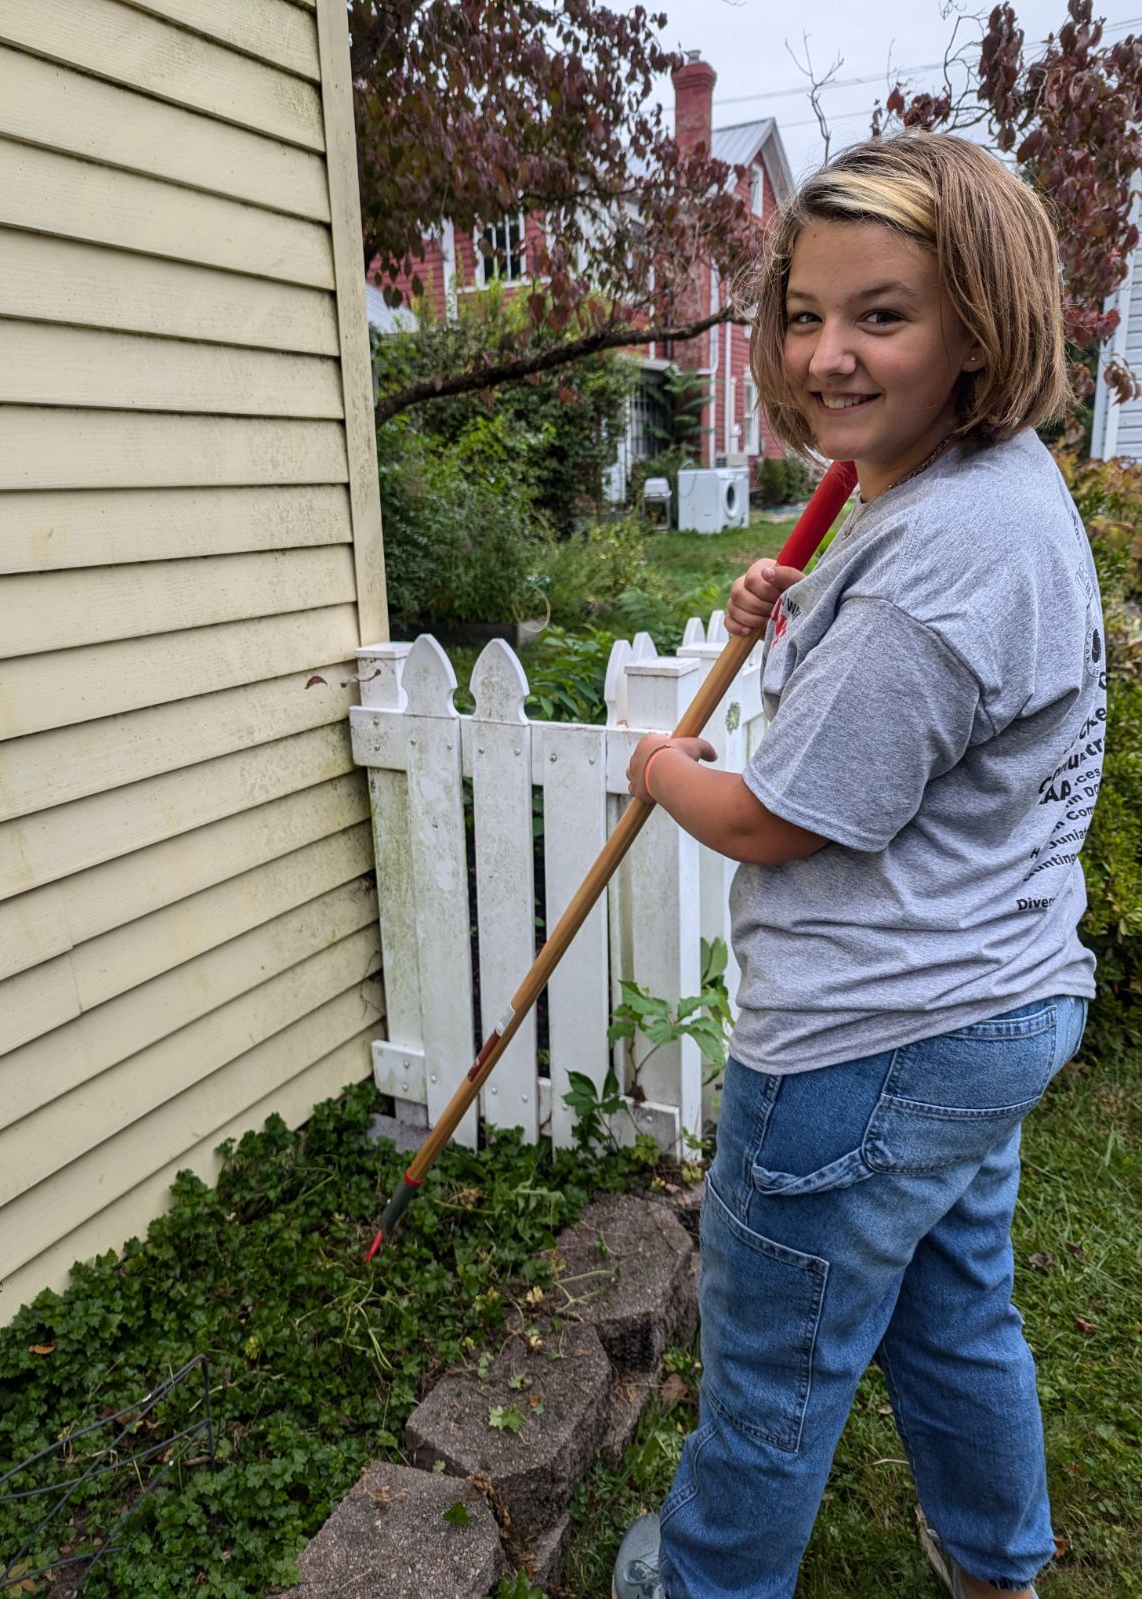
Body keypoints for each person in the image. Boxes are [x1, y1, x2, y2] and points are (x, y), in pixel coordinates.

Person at [614, 130, 1105, 1599]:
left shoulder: (944, 556)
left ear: (979, 321)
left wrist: (662, 772)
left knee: (774, 1369)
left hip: (866, 1042)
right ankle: (999, 1566)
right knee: (956, 1313)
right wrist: (800, 591)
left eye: (881, 315)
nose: (826, 353)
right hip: (990, 998)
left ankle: (701, 1585)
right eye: (805, 312)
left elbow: (785, 817)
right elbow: (918, 678)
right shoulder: (987, 486)